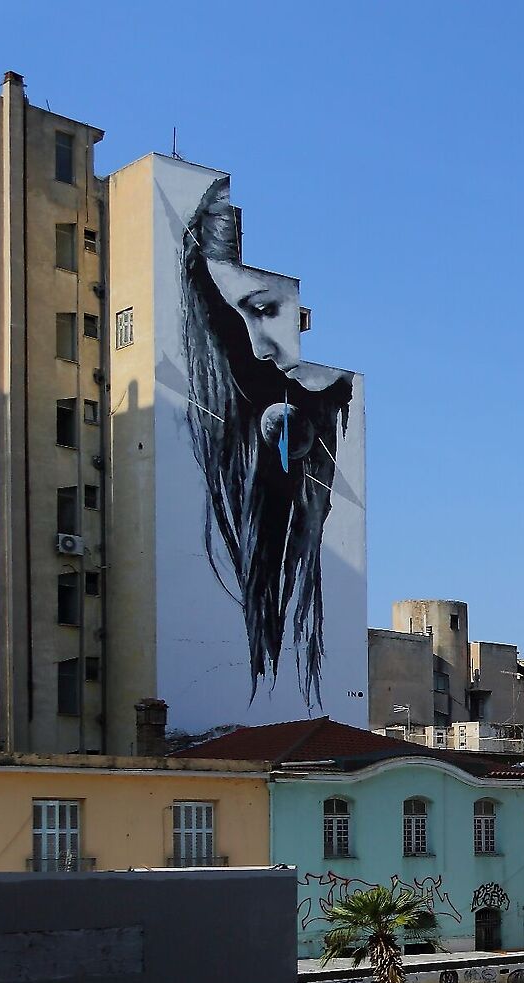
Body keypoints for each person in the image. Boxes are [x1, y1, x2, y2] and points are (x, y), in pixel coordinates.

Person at [178, 177, 357, 702]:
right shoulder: (219, 449)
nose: (259, 349)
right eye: (234, 327)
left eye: (264, 309)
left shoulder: (326, 404)